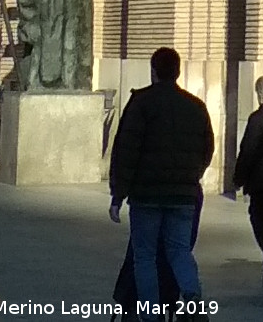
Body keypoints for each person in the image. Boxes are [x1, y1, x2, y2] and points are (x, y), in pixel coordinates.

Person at [110, 48, 214, 322]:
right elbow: (207, 149)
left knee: (144, 257)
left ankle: (151, 314)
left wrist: (118, 195)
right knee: (180, 251)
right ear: (178, 72)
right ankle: (193, 301)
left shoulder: (141, 103)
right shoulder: (196, 106)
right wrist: (190, 176)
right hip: (183, 195)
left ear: (153, 70)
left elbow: (125, 151)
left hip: (146, 195)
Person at [234, 75, 263, 279]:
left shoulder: (258, 118)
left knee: (261, 219)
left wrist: (238, 178)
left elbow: (248, 150)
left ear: (259, 94)